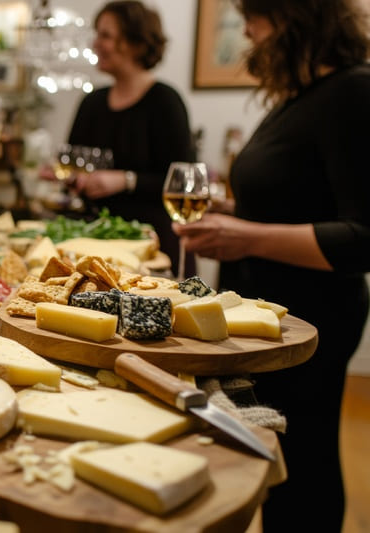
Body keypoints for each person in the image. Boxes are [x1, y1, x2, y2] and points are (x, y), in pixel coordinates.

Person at [173, 1, 370, 530]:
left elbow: (361, 237)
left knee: (303, 468)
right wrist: (232, 213)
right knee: (270, 457)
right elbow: (296, 201)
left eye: (254, 19)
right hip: (267, 320)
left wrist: (247, 238)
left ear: (293, 17)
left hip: (309, 320)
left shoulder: (354, 91)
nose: (248, 34)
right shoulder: (300, 98)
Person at [57, 1, 194, 277]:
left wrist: (125, 180)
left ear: (136, 44)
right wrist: (73, 179)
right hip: (93, 241)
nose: (96, 44)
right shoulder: (91, 103)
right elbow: (73, 162)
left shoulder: (165, 101)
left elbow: (185, 183)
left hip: (152, 248)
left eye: (105, 35)